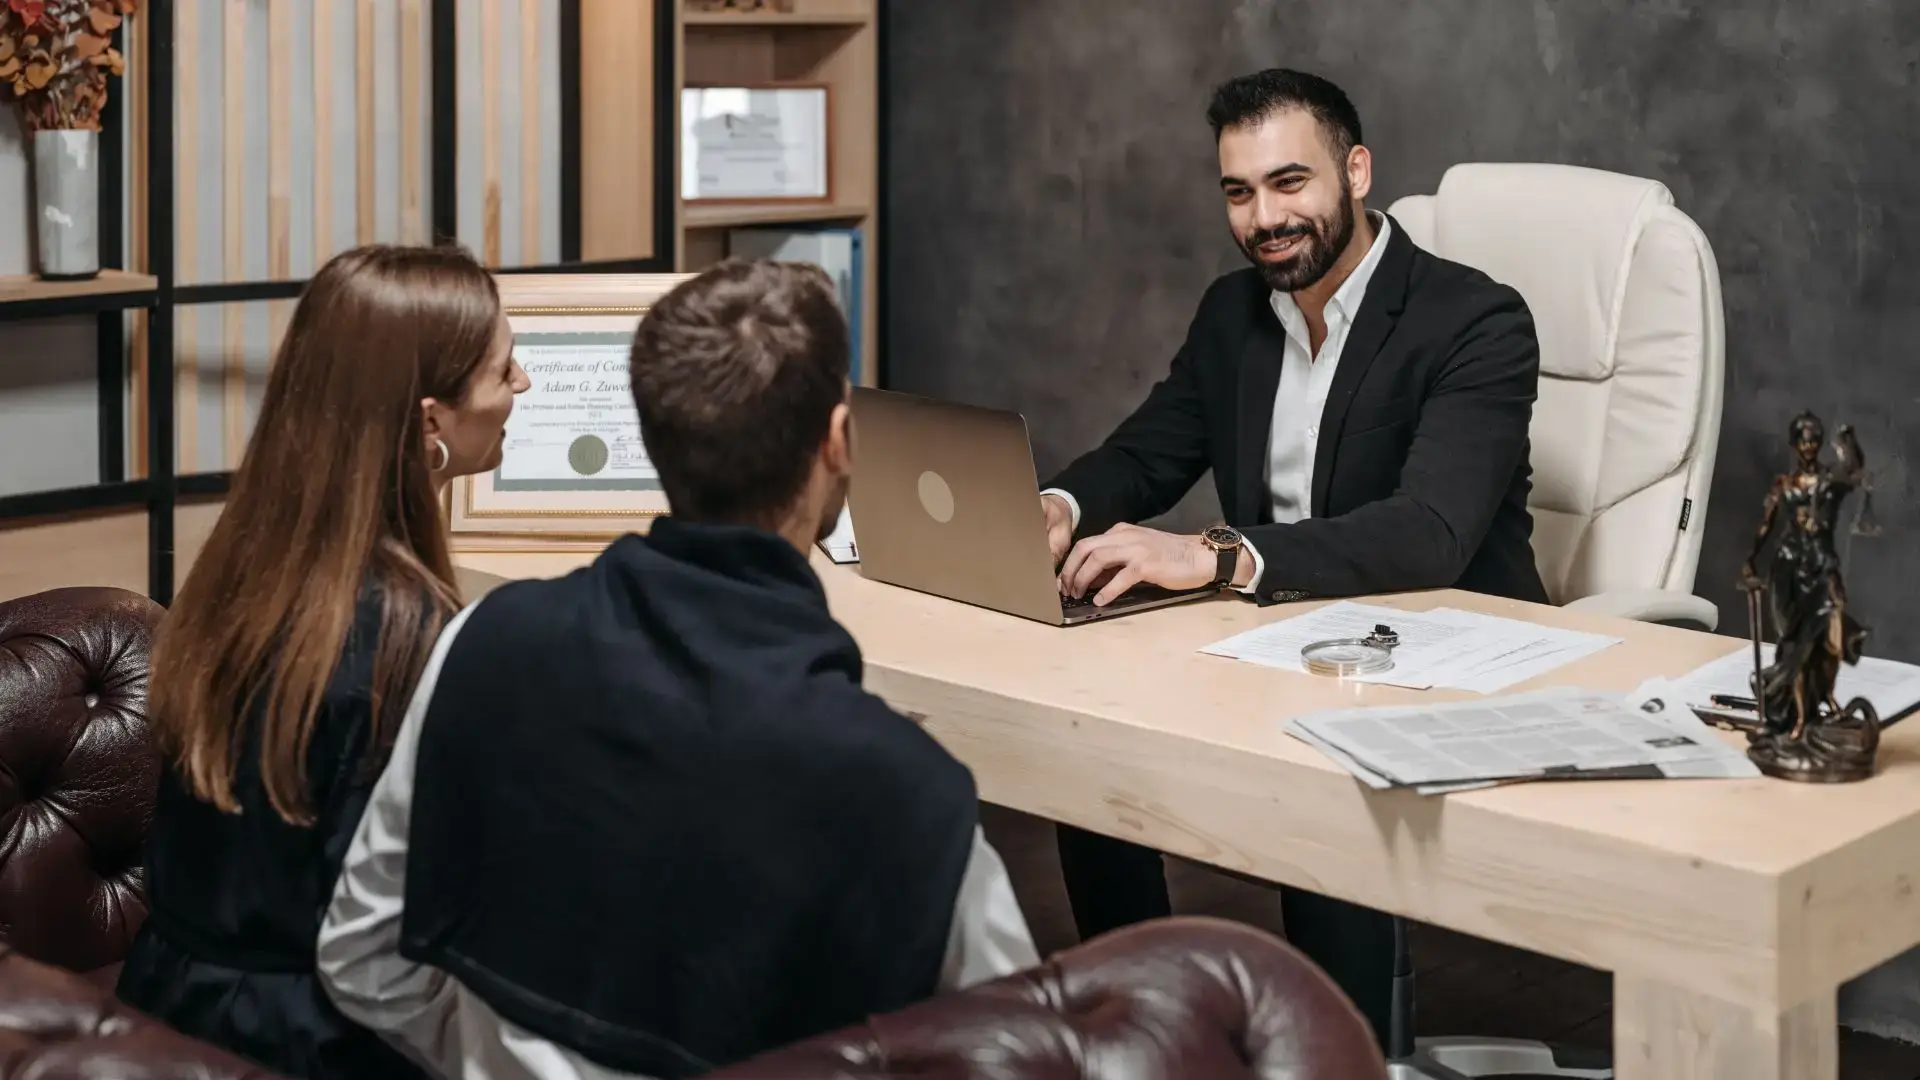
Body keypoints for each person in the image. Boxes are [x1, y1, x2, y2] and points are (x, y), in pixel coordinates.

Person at [316, 259, 1039, 1080]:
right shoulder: (908, 789)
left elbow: (360, 960)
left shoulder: (482, 642)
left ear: (655, 439)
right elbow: (1013, 1056)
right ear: (840, 441)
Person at [1038, 69, 1548, 1043]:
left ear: (1355, 171)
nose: (1265, 217)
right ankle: (1153, 1030)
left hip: (1442, 651)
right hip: (1278, 638)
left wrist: (1219, 556)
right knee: (1089, 742)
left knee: (1326, 768)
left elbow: (1430, 532)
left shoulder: (1474, 321)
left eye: (1289, 183)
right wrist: (1056, 508)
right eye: (1238, 192)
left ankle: (1338, 1053)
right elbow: (1148, 452)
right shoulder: (1235, 315)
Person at [117, 243, 531, 1079]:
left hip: (162, 1014)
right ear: (428, 424)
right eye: (502, 371)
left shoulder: (245, 571)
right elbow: (404, 943)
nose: (521, 386)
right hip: (318, 1044)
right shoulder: (411, 636)